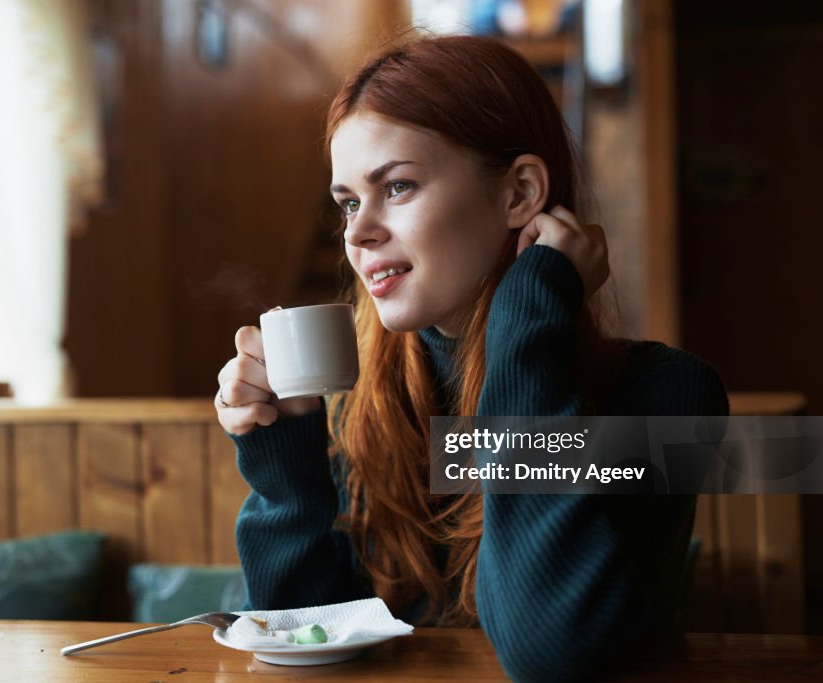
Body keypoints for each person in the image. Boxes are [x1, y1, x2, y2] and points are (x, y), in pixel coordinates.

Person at [214, 35, 728, 683]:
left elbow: (550, 651)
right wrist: (284, 453)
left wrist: (526, 317)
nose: (356, 232)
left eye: (397, 186)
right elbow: (307, 639)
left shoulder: (669, 397)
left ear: (520, 194)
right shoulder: (359, 407)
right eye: (348, 201)